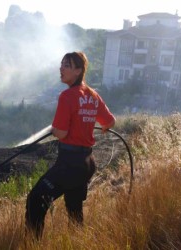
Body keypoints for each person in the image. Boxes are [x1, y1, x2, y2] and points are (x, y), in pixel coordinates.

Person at [25, 51, 116, 239]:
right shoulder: (93, 95)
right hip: (86, 163)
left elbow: (61, 133)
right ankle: (78, 242)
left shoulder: (67, 96)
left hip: (69, 164)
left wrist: (56, 130)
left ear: (78, 70)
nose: (61, 68)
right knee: (74, 210)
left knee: (35, 201)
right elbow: (109, 122)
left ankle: (32, 244)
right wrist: (90, 125)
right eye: (62, 64)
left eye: (66, 65)